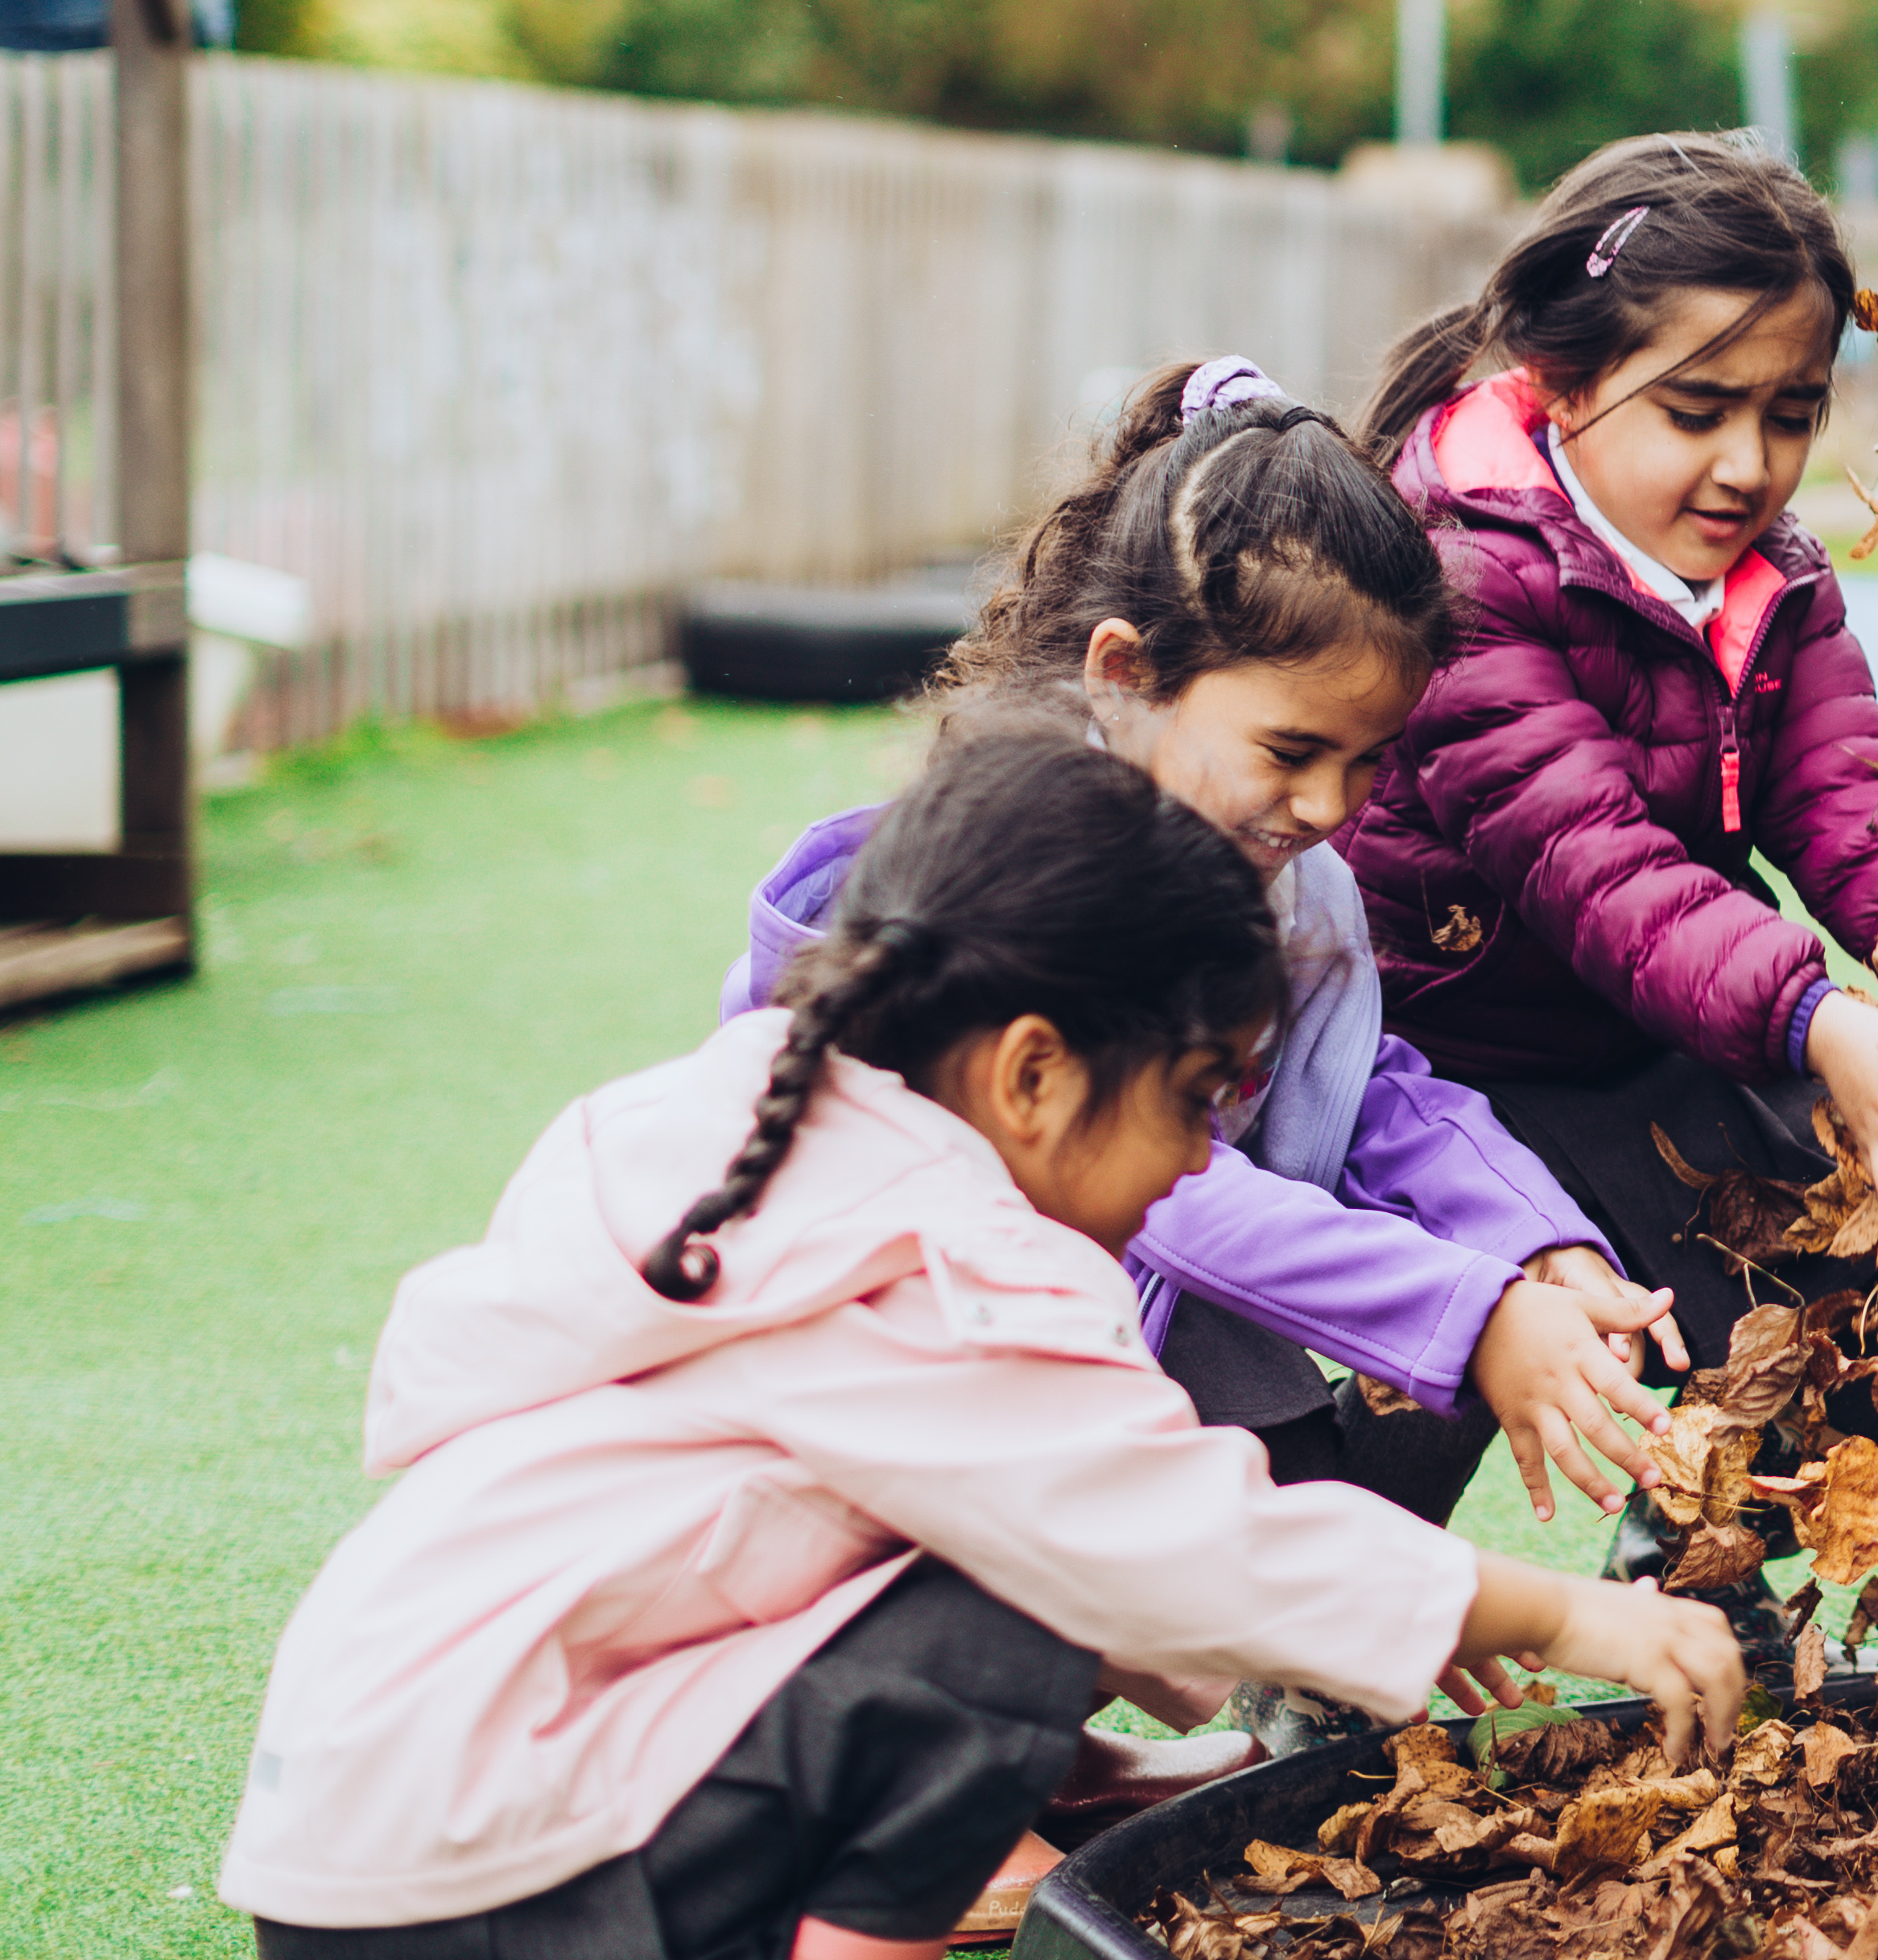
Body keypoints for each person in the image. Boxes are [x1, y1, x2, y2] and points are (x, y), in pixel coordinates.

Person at [223, 707, 1744, 1960]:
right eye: (1196, 1107)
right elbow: (1159, 1536)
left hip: (366, 1823)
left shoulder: (748, 1124)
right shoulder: (958, 1257)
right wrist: (1563, 1615)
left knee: (1025, 1556)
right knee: (1016, 1610)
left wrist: (1365, 1628)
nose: (1195, 1165)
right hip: (490, 1873)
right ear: (1032, 1074)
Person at [728, 357, 1683, 1774]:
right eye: (1295, 749)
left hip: (1109, 1337)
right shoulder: (1021, 887)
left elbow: (1367, 1089)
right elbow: (1161, 1191)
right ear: (1127, 674)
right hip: (894, 1368)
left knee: (1216, 1531)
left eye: (1368, 763)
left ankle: (1055, 1741)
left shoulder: (1272, 874)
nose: (1332, 806)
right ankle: (947, 1776)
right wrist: (1468, 1310)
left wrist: (1536, 1253)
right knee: (1085, 1514)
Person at [1336, 134, 1878, 1594]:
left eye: (1792, 413)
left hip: (1642, 1047)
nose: (1748, 464)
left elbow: (1862, 801)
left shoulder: (1768, 579)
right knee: (1464, 1330)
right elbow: (1599, 872)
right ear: (1564, 378)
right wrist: (1818, 1018)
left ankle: (1702, 1554)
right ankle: (1315, 1622)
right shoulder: (1454, 572)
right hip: (1429, 1075)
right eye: (1700, 409)